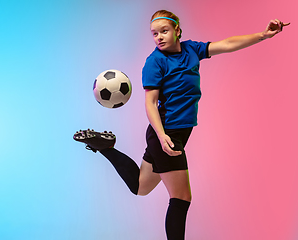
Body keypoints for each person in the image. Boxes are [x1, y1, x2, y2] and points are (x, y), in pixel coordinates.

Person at [74, 10, 289, 240]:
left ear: (177, 30)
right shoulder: (155, 62)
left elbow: (227, 44)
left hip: (172, 134)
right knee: (181, 198)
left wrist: (264, 35)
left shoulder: (192, 49)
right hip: (166, 134)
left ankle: (107, 147)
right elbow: (150, 103)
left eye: (164, 31)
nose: (159, 37)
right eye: (154, 33)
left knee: (140, 187)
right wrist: (162, 135)